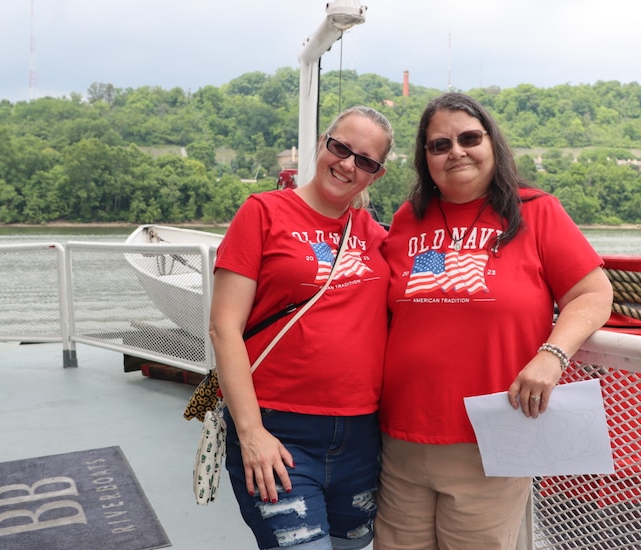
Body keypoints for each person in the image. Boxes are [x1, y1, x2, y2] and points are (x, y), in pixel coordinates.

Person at [375, 92, 614, 549]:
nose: (456, 151)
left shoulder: (535, 210)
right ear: (425, 159)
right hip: (400, 438)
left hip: (492, 438)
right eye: (439, 145)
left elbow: (593, 292)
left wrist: (552, 356)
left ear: (492, 143)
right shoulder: (408, 218)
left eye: (469, 138)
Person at [209, 105, 394, 550]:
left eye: (365, 160)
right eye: (340, 147)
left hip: (360, 438)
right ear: (321, 144)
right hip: (278, 430)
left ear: (376, 175)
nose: (348, 164)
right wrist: (251, 433)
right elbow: (224, 327)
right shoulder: (263, 213)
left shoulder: (378, 235)